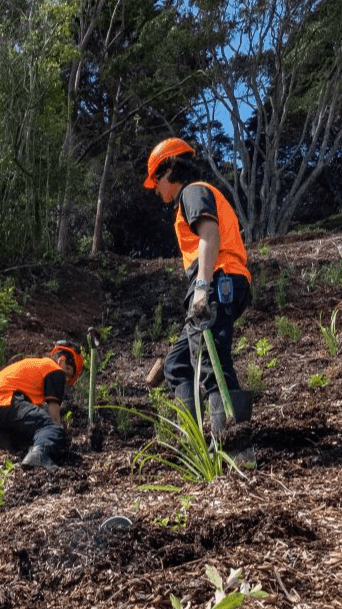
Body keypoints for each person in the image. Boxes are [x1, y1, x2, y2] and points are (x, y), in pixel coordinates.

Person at [143, 138, 251, 432]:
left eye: (155, 180)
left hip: (217, 278)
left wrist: (202, 287)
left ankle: (235, 445)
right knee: (178, 365)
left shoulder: (192, 192)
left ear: (168, 170)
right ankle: (193, 444)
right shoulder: (193, 196)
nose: (155, 189)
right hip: (220, 279)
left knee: (209, 361)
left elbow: (209, 236)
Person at [0, 340, 83, 469]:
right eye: (67, 372)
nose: (65, 379)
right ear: (61, 361)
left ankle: (5, 437)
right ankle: (38, 456)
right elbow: (54, 418)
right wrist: (59, 436)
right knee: (52, 429)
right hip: (7, 400)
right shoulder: (54, 369)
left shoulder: (37, 366)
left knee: (34, 436)